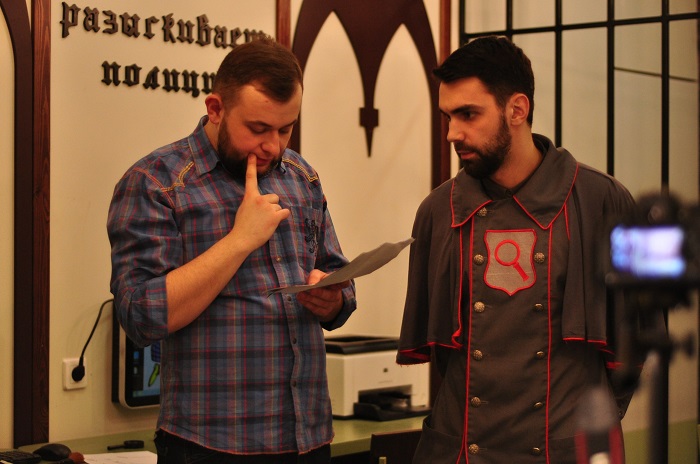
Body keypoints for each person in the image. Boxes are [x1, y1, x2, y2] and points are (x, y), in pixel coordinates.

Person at [108, 37, 357, 464]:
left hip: (308, 437)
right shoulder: (156, 183)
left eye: (286, 129)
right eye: (258, 129)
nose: (273, 146)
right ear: (216, 109)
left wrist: (332, 298)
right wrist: (240, 240)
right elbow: (141, 317)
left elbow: (339, 280)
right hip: (211, 444)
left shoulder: (302, 177)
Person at [397, 35, 644, 463]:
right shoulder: (438, 212)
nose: (453, 133)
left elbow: (631, 349)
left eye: (468, 114)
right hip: (460, 450)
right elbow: (444, 357)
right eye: (448, 116)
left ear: (517, 109)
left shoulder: (602, 202)